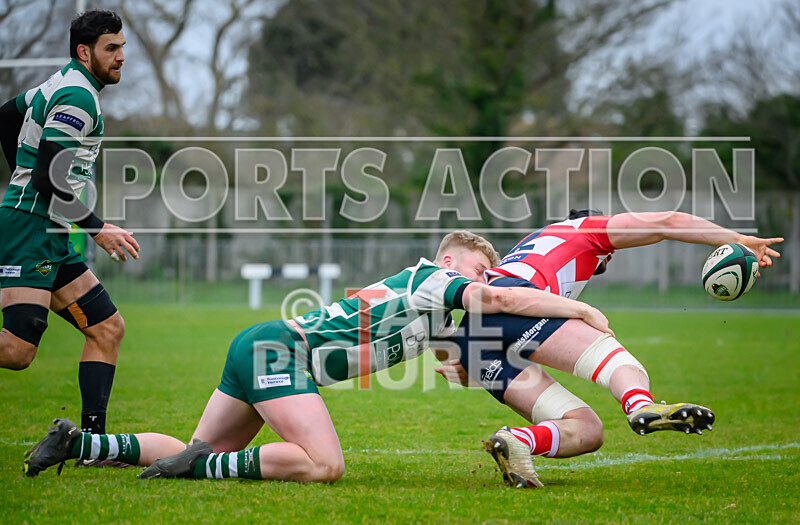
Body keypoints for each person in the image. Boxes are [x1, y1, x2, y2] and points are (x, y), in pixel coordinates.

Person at [23, 231, 613, 482]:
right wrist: (580, 312)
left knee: (194, 447)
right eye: (479, 269)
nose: (487, 279)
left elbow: (464, 353)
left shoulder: (430, 304)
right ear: (454, 263)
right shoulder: (436, 279)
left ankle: (81, 444)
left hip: (260, 345)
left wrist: (469, 365)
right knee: (325, 465)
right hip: (279, 354)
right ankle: (199, 468)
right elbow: (502, 297)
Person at [434, 210, 783, 488]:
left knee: (587, 431)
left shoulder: (533, 246)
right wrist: (736, 238)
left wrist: (470, 360)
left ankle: (519, 441)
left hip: (475, 337)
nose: (609, 258)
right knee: (614, 356)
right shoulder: (586, 231)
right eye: (610, 252)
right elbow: (667, 221)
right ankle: (640, 406)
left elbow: (469, 362)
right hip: (515, 303)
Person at [0, 11, 138, 444]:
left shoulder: (61, 82)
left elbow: (6, 117)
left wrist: (18, 176)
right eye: (110, 48)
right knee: (18, 351)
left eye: (121, 48)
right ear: (85, 51)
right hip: (32, 229)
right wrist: (99, 228)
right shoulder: (78, 96)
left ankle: (92, 444)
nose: (120, 57)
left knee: (107, 328)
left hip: (51, 229)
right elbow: (46, 178)